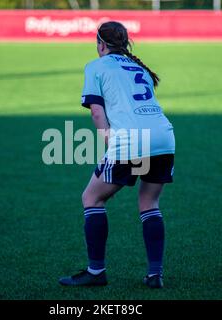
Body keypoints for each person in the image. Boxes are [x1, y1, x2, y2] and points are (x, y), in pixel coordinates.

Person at [59, 21, 175, 289]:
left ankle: (96, 272)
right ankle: (155, 274)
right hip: (164, 137)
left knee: (91, 198)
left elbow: (97, 112)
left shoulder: (96, 66)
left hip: (131, 140)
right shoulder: (140, 68)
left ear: (100, 43)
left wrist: (110, 142)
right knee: (149, 204)